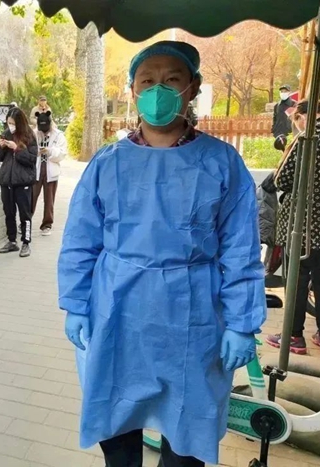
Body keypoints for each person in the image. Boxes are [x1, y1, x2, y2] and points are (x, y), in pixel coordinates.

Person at [58, 41, 266, 467]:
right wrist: (76, 304)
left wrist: (242, 322)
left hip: (194, 313)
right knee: (117, 422)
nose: (158, 91)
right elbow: (80, 240)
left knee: (188, 429)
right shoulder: (108, 163)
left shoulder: (221, 163)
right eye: (147, 81)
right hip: (118, 310)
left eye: (171, 80)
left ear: (193, 87)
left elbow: (240, 249)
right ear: (133, 90)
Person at [267, 99, 320, 356]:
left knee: (297, 280)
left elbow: (282, 179)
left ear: (302, 117)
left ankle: (294, 336)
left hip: (301, 226)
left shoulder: (306, 139)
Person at [0, 107, 38, 258]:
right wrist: (0, 147)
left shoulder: (29, 136)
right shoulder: (6, 134)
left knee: (25, 214)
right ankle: (11, 240)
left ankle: (26, 242)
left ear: (19, 122)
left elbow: (32, 159)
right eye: (9, 123)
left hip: (23, 181)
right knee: (9, 212)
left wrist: (17, 149)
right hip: (6, 181)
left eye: (13, 123)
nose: (11, 126)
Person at [32, 110, 67, 236]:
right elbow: (28, 149)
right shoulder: (34, 134)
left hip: (51, 171)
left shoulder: (58, 135)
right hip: (35, 170)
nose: (43, 132)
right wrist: (37, 152)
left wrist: (50, 151)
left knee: (49, 200)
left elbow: (62, 153)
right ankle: (26, 222)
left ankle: (47, 225)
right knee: (31, 198)